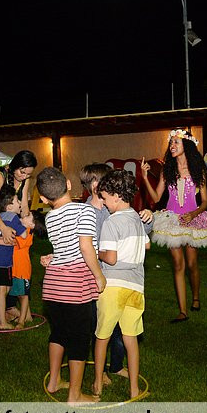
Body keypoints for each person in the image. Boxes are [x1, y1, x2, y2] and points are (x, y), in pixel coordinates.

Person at [141, 128, 207, 322]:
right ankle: (183, 311)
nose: (172, 146)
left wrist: (193, 214)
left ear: (186, 146)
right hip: (171, 221)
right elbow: (156, 198)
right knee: (178, 265)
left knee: (191, 263)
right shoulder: (167, 170)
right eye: (171, 143)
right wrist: (145, 178)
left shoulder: (198, 171)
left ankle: (196, 297)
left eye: (176, 142)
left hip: (192, 220)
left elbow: (205, 202)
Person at [79, 163, 154, 387]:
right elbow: (146, 246)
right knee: (131, 338)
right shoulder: (135, 219)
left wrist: (98, 252)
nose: (104, 203)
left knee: (102, 336)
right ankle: (134, 388)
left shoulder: (112, 221)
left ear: (115, 196)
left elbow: (110, 258)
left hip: (112, 286)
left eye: (105, 198)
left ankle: (98, 383)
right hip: (136, 287)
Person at [37, 167, 104, 404]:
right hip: (76, 286)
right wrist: (99, 275)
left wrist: (52, 257)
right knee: (79, 340)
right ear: (68, 184)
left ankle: (54, 381)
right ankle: (74, 396)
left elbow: (63, 248)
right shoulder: (85, 211)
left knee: (58, 332)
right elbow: (85, 247)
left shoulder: (49, 217)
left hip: (53, 285)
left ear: (43, 199)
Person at [0, 185, 29, 330]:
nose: (20, 203)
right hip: (3, 261)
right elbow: (24, 234)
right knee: (2, 290)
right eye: (17, 201)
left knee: (6, 287)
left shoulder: (0, 217)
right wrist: (24, 223)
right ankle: (1, 322)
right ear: (9, 206)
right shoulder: (13, 218)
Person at [12, 211, 45, 329]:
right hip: (15, 267)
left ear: (32, 225)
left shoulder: (26, 233)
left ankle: (21, 322)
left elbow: (12, 242)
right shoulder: (23, 230)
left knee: (23, 295)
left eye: (28, 215)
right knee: (19, 293)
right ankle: (28, 316)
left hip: (21, 269)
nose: (24, 215)